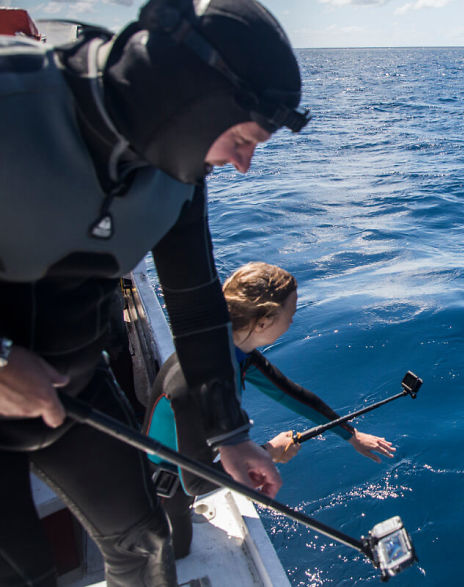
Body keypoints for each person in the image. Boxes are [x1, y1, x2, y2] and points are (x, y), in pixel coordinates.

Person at [0, 0, 310, 584]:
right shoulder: (13, 101)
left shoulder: (180, 173)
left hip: (75, 389)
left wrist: (231, 436)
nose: (243, 165)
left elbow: (194, 306)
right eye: (243, 139)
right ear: (193, 99)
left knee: (144, 542)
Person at [145, 262, 396, 558]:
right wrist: (269, 452)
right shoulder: (194, 380)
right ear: (263, 322)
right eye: (290, 313)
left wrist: (351, 435)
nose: (292, 321)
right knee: (177, 557)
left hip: (184, 472)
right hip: (162, 490)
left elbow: (293, 395)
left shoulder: (235, 353)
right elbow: (195, 480)